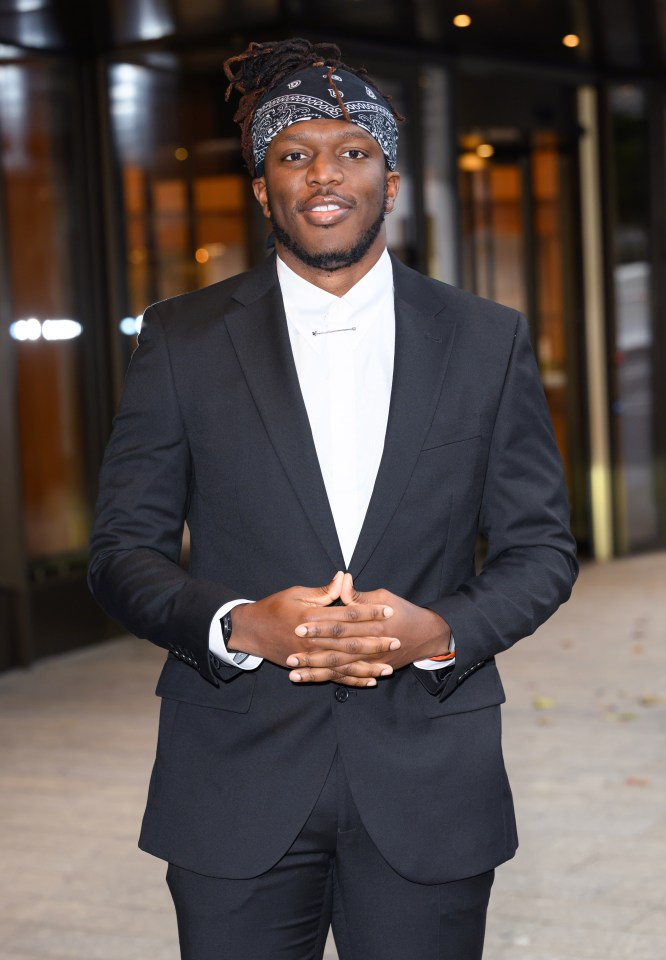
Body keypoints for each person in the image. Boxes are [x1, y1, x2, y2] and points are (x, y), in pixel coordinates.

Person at [88, 37, 578, 960]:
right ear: (263, 186)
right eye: (294, 153)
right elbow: (121, 552)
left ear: (390, 180)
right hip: (233, 779)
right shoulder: (182, 339)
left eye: (353, 150)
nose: (325, 173)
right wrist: (237, 625)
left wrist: (440, 632)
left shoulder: (485, 338)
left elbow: (541, 550)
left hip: (430, 777)